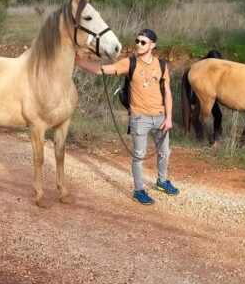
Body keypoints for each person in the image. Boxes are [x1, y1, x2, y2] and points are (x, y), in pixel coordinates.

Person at [75, 29, 179, 205]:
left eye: (143, 42)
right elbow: (102, 70)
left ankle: (162, 181)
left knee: (164, 151)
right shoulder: (129, 63)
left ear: (152, 45)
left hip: (160, 117)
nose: (138, 44)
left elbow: (167, 92)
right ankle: (139, 190)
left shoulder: (161, 65)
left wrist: (169, 118)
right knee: (139, 155)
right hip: (140, 118)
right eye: (137, 41)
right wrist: (80, 62)